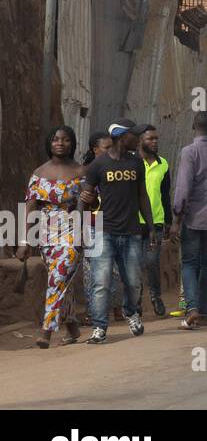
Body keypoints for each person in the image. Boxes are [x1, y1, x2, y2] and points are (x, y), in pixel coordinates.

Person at [78, 119, 155, 344]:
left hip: (131, 231)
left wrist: (150, 227)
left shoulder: (136, 163)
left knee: (132, 281)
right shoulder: (98, 165)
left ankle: (131, 312)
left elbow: (142, 196)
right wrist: (82, 229)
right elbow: (85, 197)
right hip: (103, 231)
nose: (138, 139)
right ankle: (99, 328)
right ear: (122, 137)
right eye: (135, 135)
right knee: (100, 282)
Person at [19, 126, 84, 347]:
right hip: (46, 234)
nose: (60, 143)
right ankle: (73, 326)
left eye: (65, 140)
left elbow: (94, 204)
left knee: (57, 278)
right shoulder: (38, 174)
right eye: (55, 139)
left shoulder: (81, 172)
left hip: (72, 231)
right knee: (60, 280)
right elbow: (30, 207)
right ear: (50, 143)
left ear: (72, 144)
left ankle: (46, 330)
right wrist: (25, 241)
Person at [172, 111, 207, 329]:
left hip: (192, 217)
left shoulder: (189, 151)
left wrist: (177, 218)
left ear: (193, 125)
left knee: (189, 262)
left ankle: (193, 308)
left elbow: (183, 188)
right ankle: (204, 312)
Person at [76, 131, 120, 325]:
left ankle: (116, 307)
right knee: (93, 271)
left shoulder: (116, 168)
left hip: (113, 224)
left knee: (116, 270)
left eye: (112, 147)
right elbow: (81, 203)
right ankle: (92, 311)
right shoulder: (85, 172)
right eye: (106, 147)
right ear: (95, 150)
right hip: (93, 224)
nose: (111, 151)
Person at [137, 125, 172, 318]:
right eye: (150, 139)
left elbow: (166, 194)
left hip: (156, 222)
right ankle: (136, 301)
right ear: (140, 141)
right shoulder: (132, 163)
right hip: (134, 222)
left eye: (156, 138)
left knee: (151, 262)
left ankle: (155, 296)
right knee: (135, 264)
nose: (155, 142)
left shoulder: (163, 164)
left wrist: (168, 220)